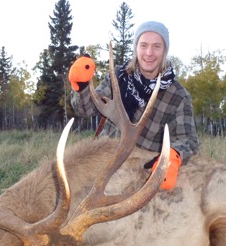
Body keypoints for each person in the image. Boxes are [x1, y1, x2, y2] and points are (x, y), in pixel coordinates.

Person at [68, 21, 199, 190]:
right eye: (143, 45)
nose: (149, 53)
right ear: (136, 47)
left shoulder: (178, 96)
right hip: (101, 164)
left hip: (139, 174)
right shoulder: (117, 78)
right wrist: (81, 85)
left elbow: (189, 140)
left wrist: (172, 157)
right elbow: (85, 109)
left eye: (157, 46)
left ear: (165, 51)